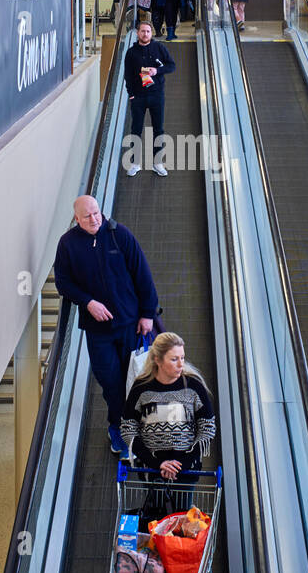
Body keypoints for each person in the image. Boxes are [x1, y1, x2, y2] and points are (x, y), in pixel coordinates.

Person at [54, 195, 159, 455]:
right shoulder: (68, 245)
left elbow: (142, 273)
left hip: (130, 325)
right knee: (111, 383)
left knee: (134, 380)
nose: (95, 219)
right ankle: (118, 429)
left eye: (97, 213)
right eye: (88, 216)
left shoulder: (118, 234)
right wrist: (88, 302)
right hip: (98, 332)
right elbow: (63, 282)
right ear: (76, 219)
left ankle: (132, 429)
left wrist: (147, 314)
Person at [120, 332, 216, 478]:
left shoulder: (194, 386)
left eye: (182, 358)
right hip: (151, 470)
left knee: (183, 501)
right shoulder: (141, 388)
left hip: (187, 469)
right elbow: (128, 428)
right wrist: (154, 462)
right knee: (155, 501)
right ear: (158, 360)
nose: (180, 364)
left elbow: (207, 428)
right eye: (174, 359)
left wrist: (182, 463)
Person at [123, 19, 175, 177]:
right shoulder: (131, 53)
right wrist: (131, 94)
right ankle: (135, 163)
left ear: (151, 33)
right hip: (138, 97)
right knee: (136, 130)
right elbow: (128, 75)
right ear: (137, 33)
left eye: (148, 31)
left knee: (158, 129)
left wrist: (156, 71)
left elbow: (171, 66)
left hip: (156, 95)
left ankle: (157, 163)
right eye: (142, 31)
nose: (145, 34)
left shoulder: (159, 47)